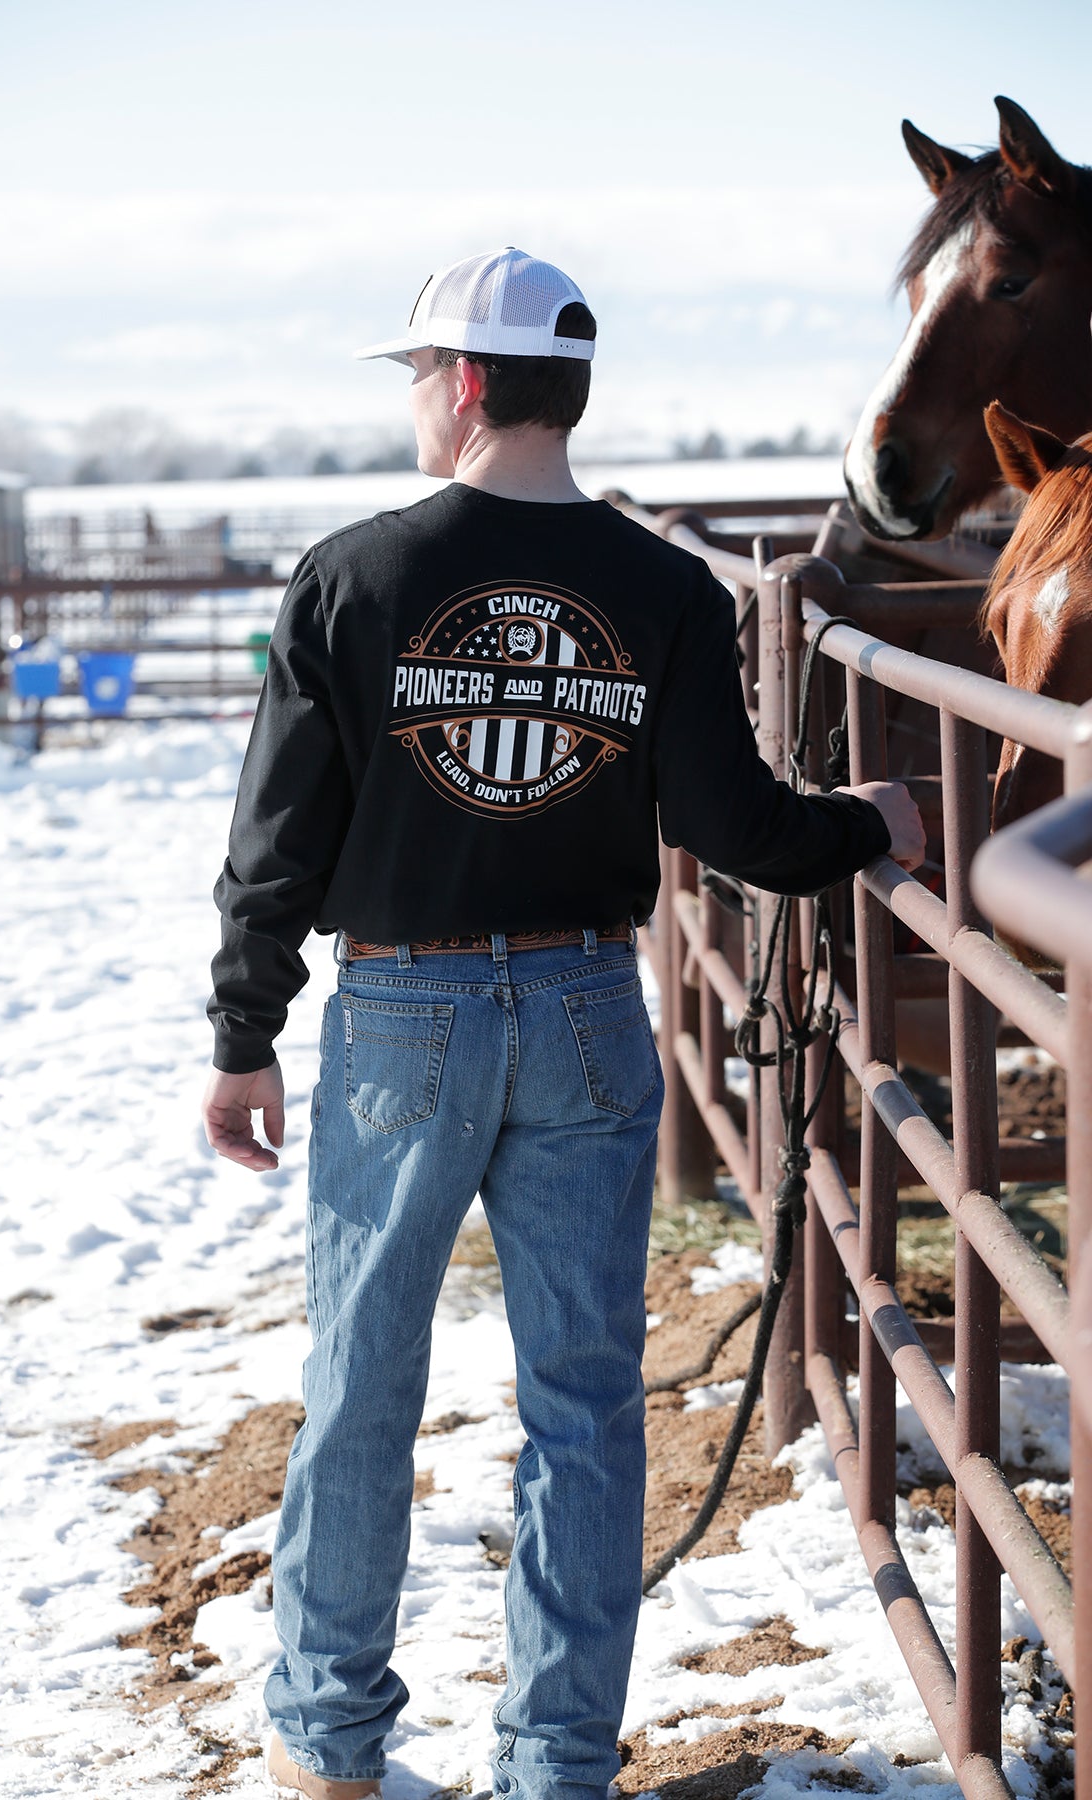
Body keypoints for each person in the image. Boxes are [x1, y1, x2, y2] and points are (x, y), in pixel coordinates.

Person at [201, 246, 925, 1800]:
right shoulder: (659, 590)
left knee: (361, 1382)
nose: (413, 402)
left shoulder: (352, 577)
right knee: (585, 1405)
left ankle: (327, 1744)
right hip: (594, 1004)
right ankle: (555, 1764)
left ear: (463, 386)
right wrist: (870, 824)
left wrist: (244, 1028)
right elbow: (739, 828)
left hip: (405, 1012)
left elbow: (278, 839)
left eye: (415, 376)